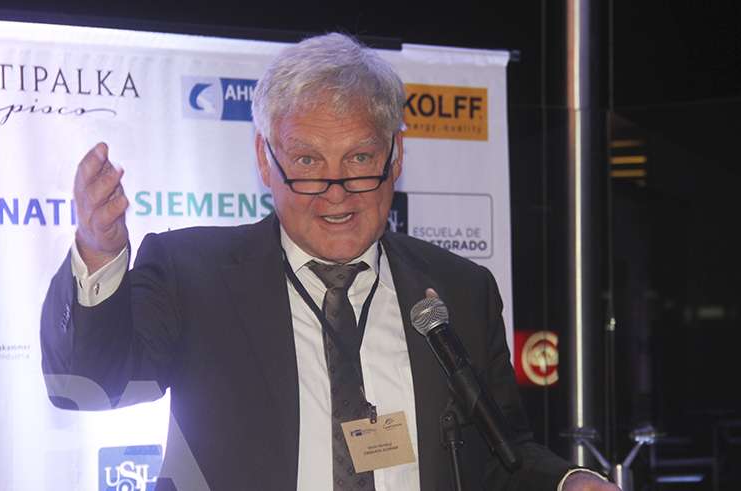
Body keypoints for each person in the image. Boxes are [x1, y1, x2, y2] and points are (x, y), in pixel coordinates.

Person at [41, 33, 618, 491]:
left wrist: (566, 481)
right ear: (265, 159)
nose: (336, 192)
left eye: (360, 158)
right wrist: (100, 251)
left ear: (396, 156)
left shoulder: (459, 291)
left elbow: (503, 456)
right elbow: (88, 386)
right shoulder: (191, 273)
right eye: (307, 162)